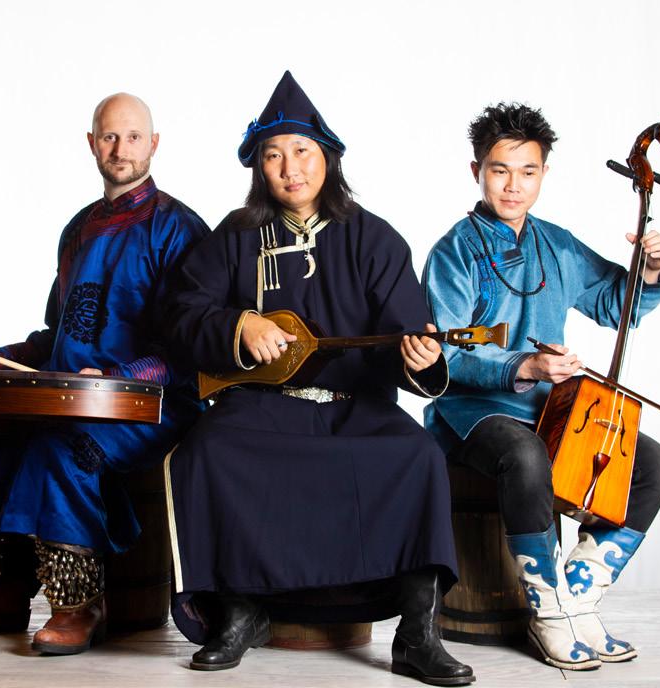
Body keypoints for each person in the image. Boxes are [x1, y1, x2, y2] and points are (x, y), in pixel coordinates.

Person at [163, 71, 474, 686]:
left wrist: (420, 358)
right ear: (259, 168)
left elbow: (408, 333)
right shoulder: (236, 235)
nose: (290, 168)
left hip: (355, 406)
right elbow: (182, 312)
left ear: (328, 158)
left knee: (417, 455)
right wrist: (238, 325)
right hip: (260, 405)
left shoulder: (376, 239)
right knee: (206, 450)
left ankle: (418, 632)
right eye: (274, 155)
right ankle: (241, 611)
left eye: (302, 151)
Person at [0, 93, 209, 654]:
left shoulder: (179, 229)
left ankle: (78, 604)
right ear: (91, 143)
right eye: (109, 137)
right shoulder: (77, 229)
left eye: (133, 137)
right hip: (68, 398)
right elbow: (55, 336)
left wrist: (114, 376)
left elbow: (188, 349)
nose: (121, 149)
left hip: (154, 404)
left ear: (154, 144)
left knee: (59, 448)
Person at [422, 102, 660, 670]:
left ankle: (578, 599)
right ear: (477, 172)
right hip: (470, 412)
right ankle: (547, 612)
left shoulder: (556, 244)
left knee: (653, 464)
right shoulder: (453, 251)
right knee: (526, 455)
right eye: (499, 170)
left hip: (549, 408)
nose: (513, 185)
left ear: (543, 174)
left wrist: (652, 267)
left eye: (528, 171)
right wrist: (527, 366)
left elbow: (615, 303)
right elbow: (449, 357)